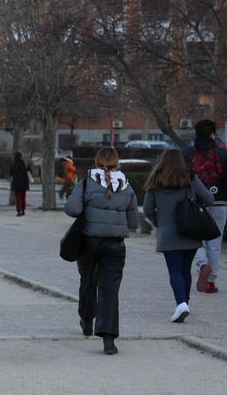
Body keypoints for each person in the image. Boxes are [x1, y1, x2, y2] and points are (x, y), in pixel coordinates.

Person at [64, 147, 138, 355]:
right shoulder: (127, 187)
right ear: (118, 162)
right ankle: (108, 339)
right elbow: (133, 221)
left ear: (96, 162)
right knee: (110, 289)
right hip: (115, 245)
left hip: (89, 241)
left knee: (87, 280)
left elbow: (72, 209)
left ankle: (87, 319)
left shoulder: (86, 182)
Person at [143, 149, 214, 323]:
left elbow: (147, 209)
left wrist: (158, 223)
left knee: (174, 270)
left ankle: (181, 303)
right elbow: (209, 199)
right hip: (190, 231)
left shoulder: (154, 182)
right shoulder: (190, 179)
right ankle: (185, 303)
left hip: (168, 233)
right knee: (185, 270)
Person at [182, 119, 227, 294]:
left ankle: (202, 264)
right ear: (212, 134)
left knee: (195, 239)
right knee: (214, 243)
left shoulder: (187, 154)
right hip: (220, 202)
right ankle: (210, 282)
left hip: (194, 202)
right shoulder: (223, 154)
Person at [10, 152, 30, 216]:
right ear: (21, 157)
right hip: (24, 183)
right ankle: (23, 210)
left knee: (18, 198)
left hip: (16, 184)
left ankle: (19, 210)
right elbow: (28, 171)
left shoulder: (14, 164)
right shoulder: (24, 164)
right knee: (23, 197)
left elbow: (11, 173)